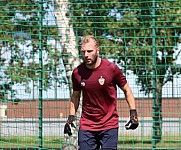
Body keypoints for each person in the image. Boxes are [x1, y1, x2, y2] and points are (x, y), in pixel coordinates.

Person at [64, 35, 139, 150]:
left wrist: (133, 113)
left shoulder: (111, 69)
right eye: (83, 52)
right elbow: (75, 96)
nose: (86, 55)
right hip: (87, 125)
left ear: (97, 50)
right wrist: (71, 117)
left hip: (109, 124)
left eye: (90, 51)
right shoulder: (77, 73)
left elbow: (127, 90)